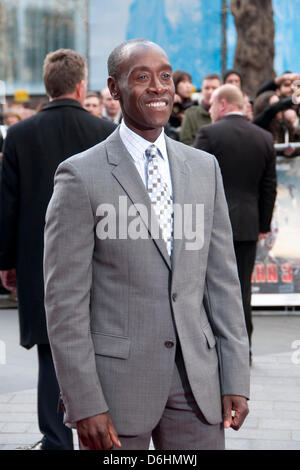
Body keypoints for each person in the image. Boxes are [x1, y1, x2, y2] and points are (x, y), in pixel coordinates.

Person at [44, 39, 250, 451]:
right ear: (114, 89)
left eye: (165, 76)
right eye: (142, 77)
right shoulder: (80, 176)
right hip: (117, 390)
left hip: (197, 383)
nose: (158, 87)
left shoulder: (203, 168)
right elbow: (64, 302)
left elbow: (223, 282)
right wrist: (84, 402)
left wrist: (235, 376)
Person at [0, 48, 116, 450]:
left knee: (51, 349)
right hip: (99, 259)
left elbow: (8, 204)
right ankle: (104, 433)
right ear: (82, 84)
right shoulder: (104, 131)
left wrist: (6, 261)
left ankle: (55, 438)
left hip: (39, 261)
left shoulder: (18, 134)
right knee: (99, 346)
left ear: (48, 87)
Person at [194, 85, 277, 360]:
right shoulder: (264, 138)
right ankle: (245, 349)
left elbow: (194, 178)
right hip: (249, 225)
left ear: (223, 104)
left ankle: (215, 346)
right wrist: (263, 225)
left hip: (213, 224)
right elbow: (269, 187)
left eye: (212, 106)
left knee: (210, 286)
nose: (209, 111)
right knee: (242, 288)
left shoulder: (209, 133)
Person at [180, 73, 221, 145]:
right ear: (202, 90)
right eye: (207, 88)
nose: (210, 92)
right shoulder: (190, 114)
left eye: (214, 88)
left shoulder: (226, 115)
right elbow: (185, 143)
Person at [166, 70, 195, 140]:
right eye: (184, 82)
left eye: (190, 82)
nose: (188, 86)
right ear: (175, 84)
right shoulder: (166, 102)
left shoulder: (194, 105)